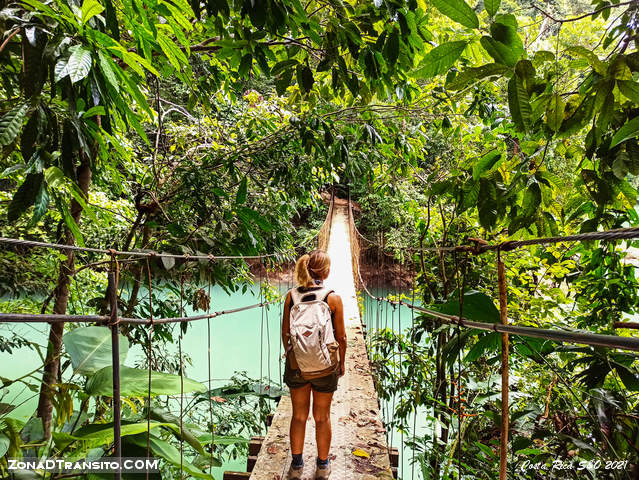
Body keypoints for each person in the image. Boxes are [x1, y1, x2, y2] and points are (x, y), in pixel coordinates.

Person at [281, 249, 346, 479]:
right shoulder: (333, 298)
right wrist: (341, 364)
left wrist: (296, 358)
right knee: (322, 417)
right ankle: (322, 465)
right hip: (325, 367)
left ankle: (296, 466)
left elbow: (285, 333)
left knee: (298, 416)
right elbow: (341, 338)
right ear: (326, 272)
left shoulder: (291, 296)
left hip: (297, 366)